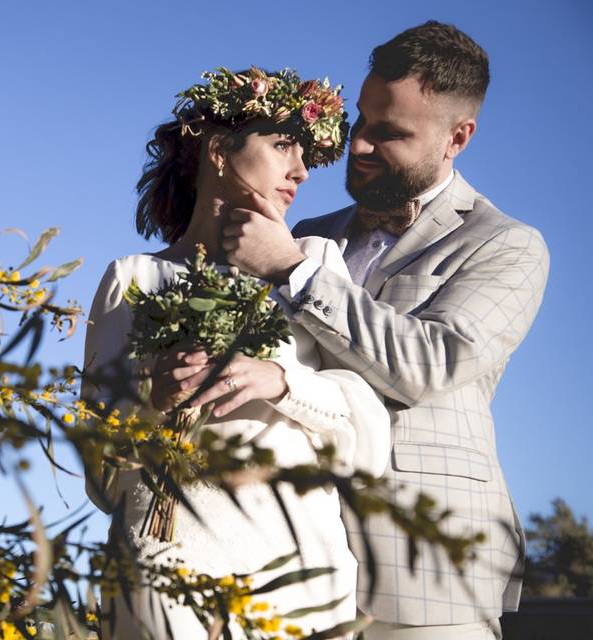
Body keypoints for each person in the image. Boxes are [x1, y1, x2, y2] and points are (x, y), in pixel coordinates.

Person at [213, 23, 550, 640]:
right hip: (283, 558)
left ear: (457, 138)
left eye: (389, 133)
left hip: (426, 575)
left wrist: (292, 269)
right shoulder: (304, 227)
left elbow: (427, 364)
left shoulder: (507, 245)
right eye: (359, 123)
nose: (359, 147)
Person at [82, 67, 391, 639]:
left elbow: (369, 434)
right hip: (164, 571)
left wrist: (280, 381)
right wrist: (154, 400)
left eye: (304, 155)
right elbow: (99, 471)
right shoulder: (133, 276)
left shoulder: (312, 262)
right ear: (220, 150)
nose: (300, 170)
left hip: (298, 575)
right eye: (281, 145)